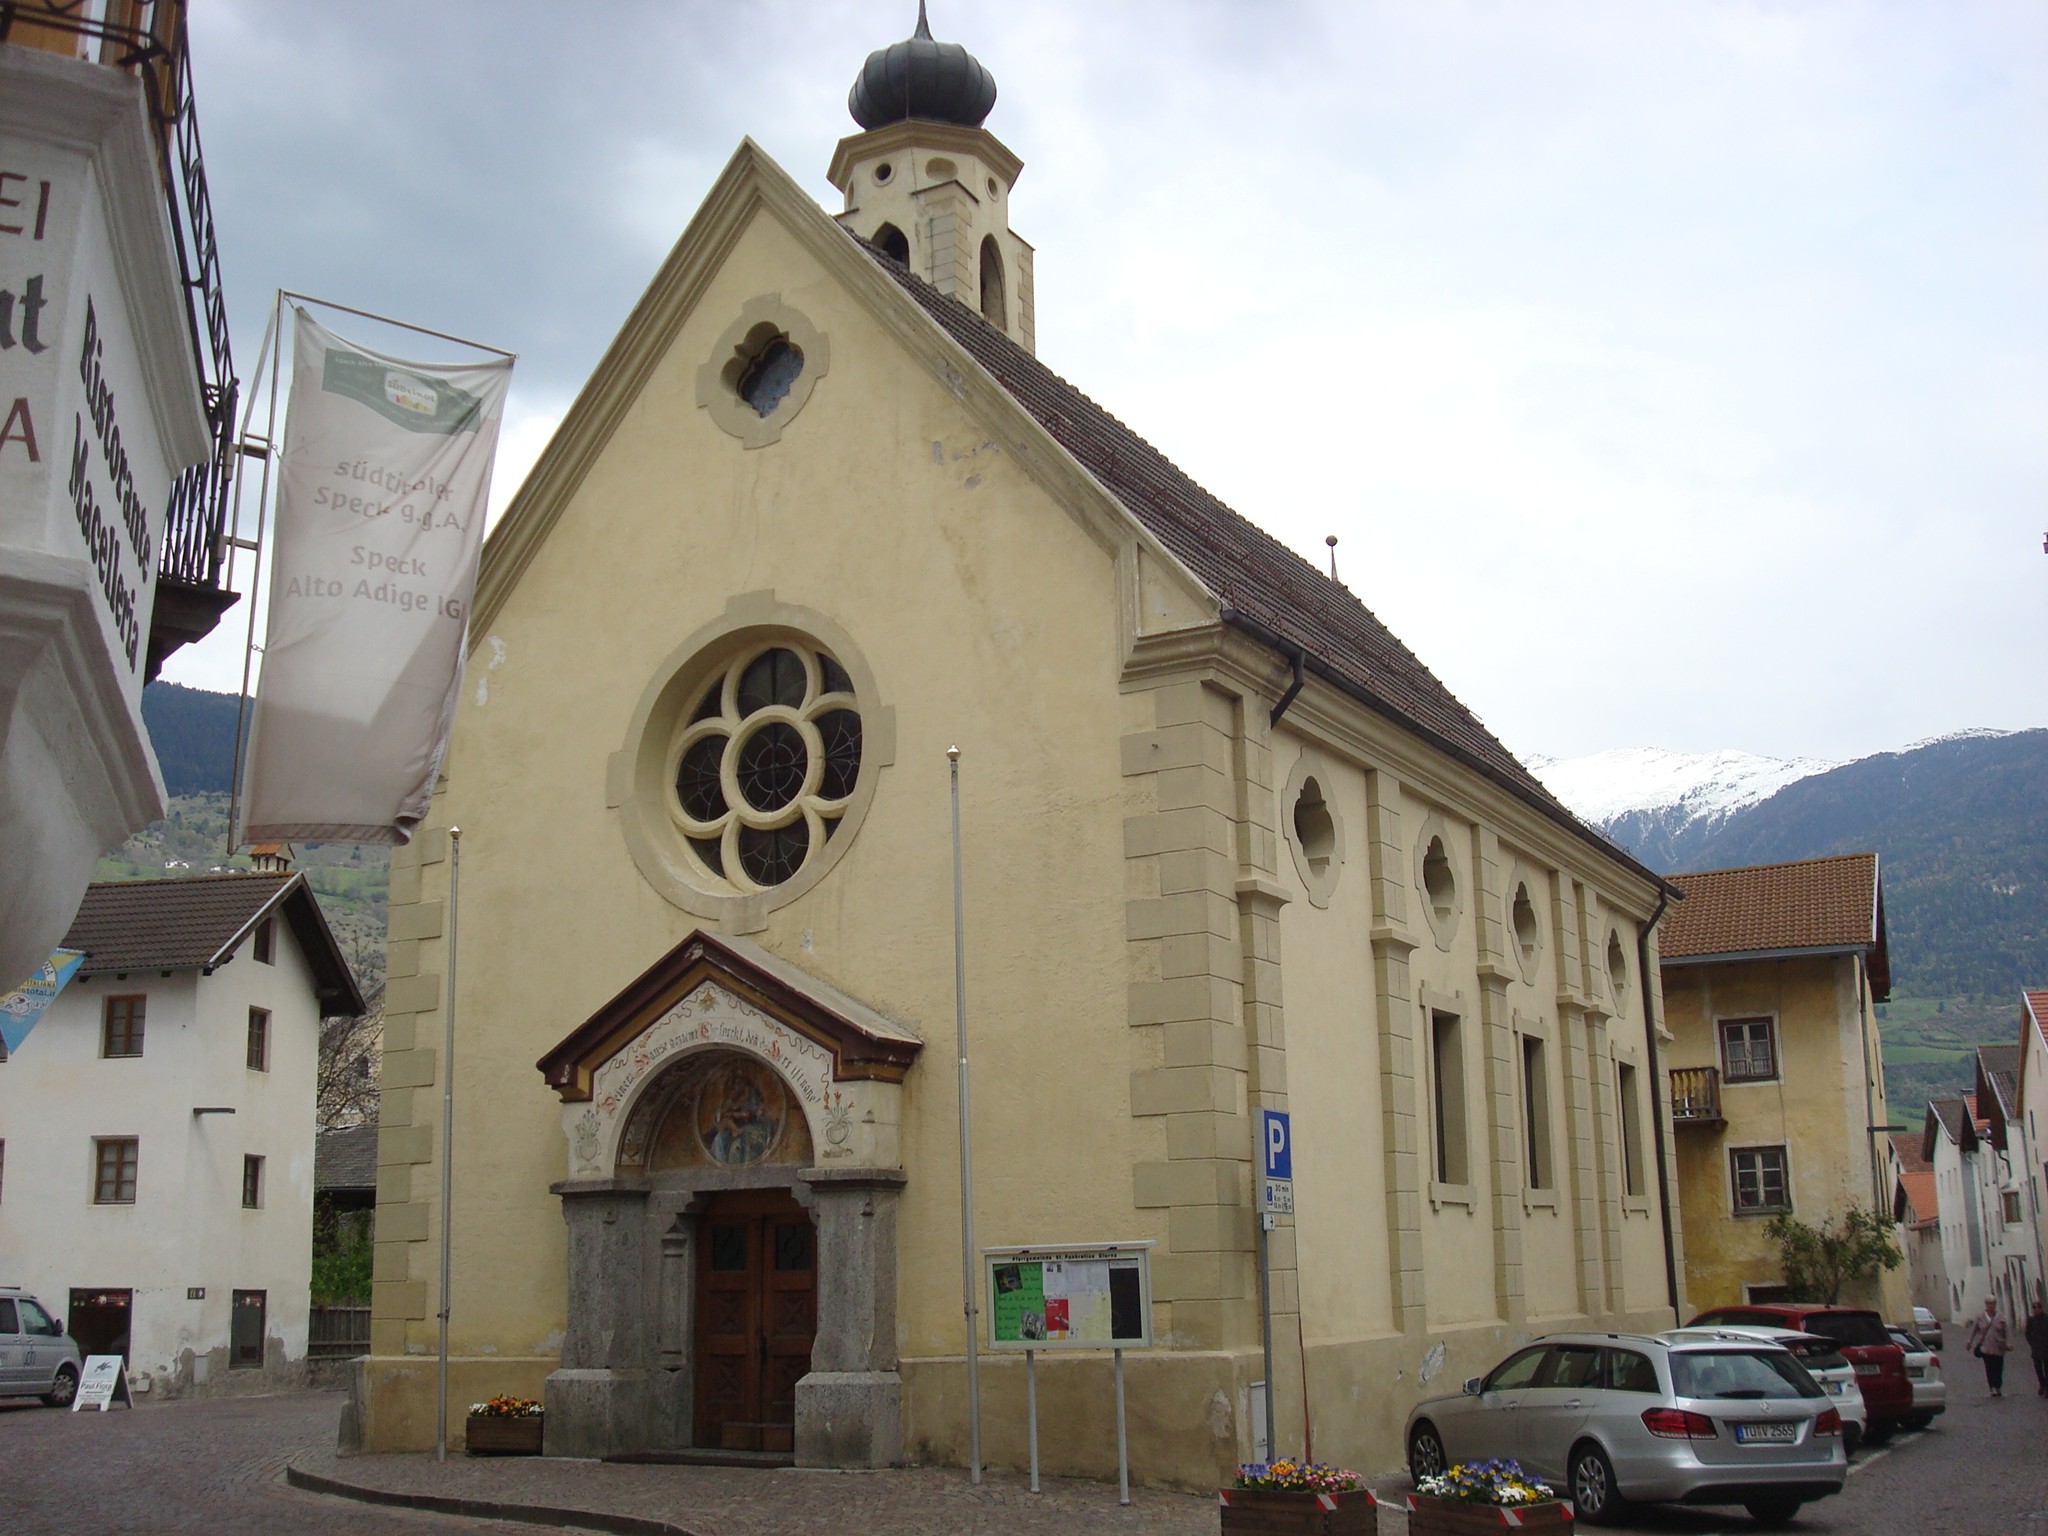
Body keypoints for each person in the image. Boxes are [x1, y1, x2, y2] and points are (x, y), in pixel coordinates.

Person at [1964, 1296, 2012, 1397]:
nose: (1991, 1305)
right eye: (1989, 1303)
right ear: (1986, 1304)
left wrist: (2009, 1343)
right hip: (1986, 1347)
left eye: (1993, 1303)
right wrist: (1969, 1341)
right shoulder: (1980, 1317)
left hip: (1999, 1346)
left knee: (1999, 1367)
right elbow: (1974, 1330)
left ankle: (1998, 1386)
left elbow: (2007, 1331)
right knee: (1989, 1367)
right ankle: (1992, 1387)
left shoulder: (2001, 1316)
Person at [2025, 1298, 2048, 1398]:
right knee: (2038, 1368)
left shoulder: (2046, 1318)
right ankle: (2042, 1383)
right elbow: (2027, 1333)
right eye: (2034, 1308)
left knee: (2047, 1368)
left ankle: (2047, 1387)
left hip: (2046, 1347)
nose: (2036, 1310)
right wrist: (2031, 1343)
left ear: (2041, 1308)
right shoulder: (2031, 1320)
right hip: (2036, 1347)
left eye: (2037, 1308)